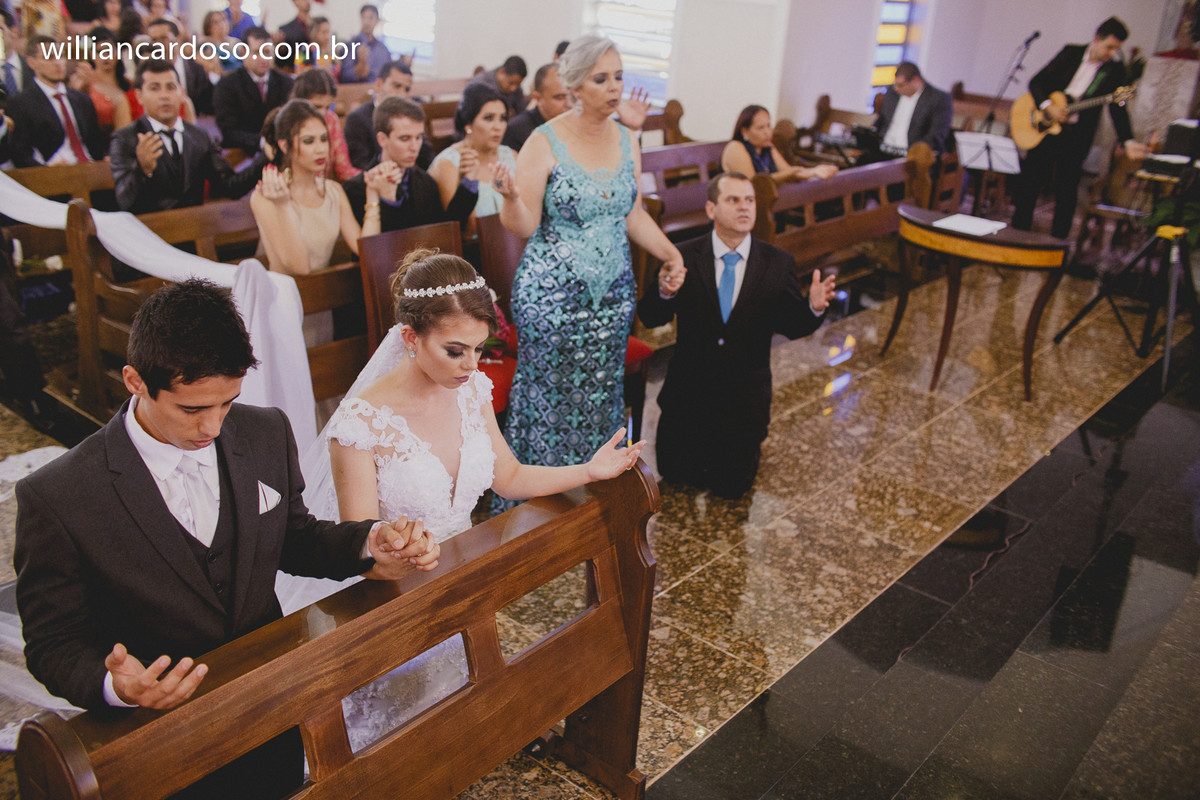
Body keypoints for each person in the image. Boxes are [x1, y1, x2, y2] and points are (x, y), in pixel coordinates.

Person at [13, 278, 437, 799]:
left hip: (268, 709)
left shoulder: (264, 433)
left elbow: (293, 537)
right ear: (135, 381)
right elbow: (53, 644)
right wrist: (116, 686)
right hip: (156, 742)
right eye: (192, 409)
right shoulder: (58, 497)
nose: (212, 427)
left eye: (227, 403)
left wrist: (369, 542)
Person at [276, 250, 643, 747]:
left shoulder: (471, 391)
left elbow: (508, 477)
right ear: (410, 338)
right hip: (394, 599)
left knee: (459, 715)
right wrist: (400, 547)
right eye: (455, 351)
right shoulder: (360, 424)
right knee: (401, 734)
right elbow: (362, 546)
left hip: (464, 577)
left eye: (480, 347)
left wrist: (588, 471)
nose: (473, 365)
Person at [492, 35, 683, 480]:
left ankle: (596, 499)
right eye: (601, 78)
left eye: (618, 76)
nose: (614, 87)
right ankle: (537, 498)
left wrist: (670, 254)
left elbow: (632, 213)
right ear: (575, 85)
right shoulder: (544, 140)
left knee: (600, 396)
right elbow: (523, 224)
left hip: (611, 300)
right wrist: (509, 197)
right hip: (552, 302)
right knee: (550, 400)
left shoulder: (625, 138)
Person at [638, 172, 835, 498]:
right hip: (688, 400)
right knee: (676, 481)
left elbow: (793, 325)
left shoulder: (777, 263)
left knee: (732, 489)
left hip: (742, 406)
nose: (744, 207)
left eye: (750, 200)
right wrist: (665, 291)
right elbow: (650, 315)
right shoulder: (683, 255)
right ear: (711, 209)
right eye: (733, 200)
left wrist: (812, 308)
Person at [1012, 17, 1148, 239]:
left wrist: (1129, 141)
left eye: (1117, 49)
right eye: (1109, 47)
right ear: (1096, 39)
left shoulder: (1115, 71)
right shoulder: (1070, 53)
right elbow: (1037, 82)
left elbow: (1118, 108)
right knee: (1030, 181)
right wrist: (1048, 106)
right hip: (1044, 127)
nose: (1112, 53)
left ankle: (1057, 245)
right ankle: (1016, 236)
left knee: (1067, 189)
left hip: (1077, 136)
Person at [110, 58, 265, 214]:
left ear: (182, 93)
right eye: (154, 88)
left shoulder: (199, 136)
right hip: (147, 233)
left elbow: (230, 186)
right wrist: (142, 170)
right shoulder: (125, 139)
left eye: (171, 87)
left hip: (196, 229)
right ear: (139, 96)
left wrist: (266, 157)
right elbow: (125, 203)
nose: (164, 96)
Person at [252, 99, 380, 284]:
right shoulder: (266, 196)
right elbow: (300, 268)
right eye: (308, 141)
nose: (321, 149)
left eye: (324, 139)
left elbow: (366, 251)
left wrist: (373, 192)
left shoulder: (333, 191)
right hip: (283, 300)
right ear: (284, 145)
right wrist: (283, 205)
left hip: (323, 298)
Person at [343, 95, 474, 229]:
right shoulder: (356, 189)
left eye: (419, 137)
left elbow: (445, 231)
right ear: (382, 139)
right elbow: (376, 245)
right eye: (405, 138)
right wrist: (389, 199)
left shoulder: (426, 183)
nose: (414, 147)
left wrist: (468, 182)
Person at [8, 35, 107, 166]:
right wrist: (47, 170)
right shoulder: (21, 104)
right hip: (53, 175)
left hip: (91, 168)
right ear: (32, 63)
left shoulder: (82, 100)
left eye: (60, 56)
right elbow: (21, 155)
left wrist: (107, 157)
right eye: (49, 57)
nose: (58, 62)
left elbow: (97, 143)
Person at [429, 82, 516, 218]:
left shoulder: (511, 156)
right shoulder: (447, 164)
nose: (498, 127)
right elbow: (461, 231)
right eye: (489, 118)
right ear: (468, 124)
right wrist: (467, 184)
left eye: (503, 118)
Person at [213, 26, 293, 154]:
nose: (263, 59)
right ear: (243, 53)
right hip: (242, 156)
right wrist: (261, 142)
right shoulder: (227, 85)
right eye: (256, 53)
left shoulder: (286, 83)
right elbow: (228, 131)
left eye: (267, 52)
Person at [343, 59, 434, 170]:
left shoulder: (412, 118)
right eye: (396, 86)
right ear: (379, 84)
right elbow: (361, 165)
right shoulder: (358, 119)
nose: (402, 93)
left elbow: (428, 161)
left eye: (406, 89)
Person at [722, 104, 837, 182]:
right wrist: (792, 172)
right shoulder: (736, 148)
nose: (768, 132)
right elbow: (754, 183)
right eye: (761, 128)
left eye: (768, 125)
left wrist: (815, 171)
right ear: (745, 131)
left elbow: (787, 170)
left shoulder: (767, 147)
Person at [290, 67, 359, 181]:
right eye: (317, 106)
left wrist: (371, 178)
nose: (323, 113)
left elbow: (344, 169)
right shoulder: (287, 122)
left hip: (324, 190)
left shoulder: (331, 120)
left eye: (328, 107)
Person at [871, 61, 953, 157]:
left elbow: (936, 135)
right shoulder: (892, 93)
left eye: (901, 85)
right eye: (895, 84)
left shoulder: (938, 99)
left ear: (915, 80)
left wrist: (914, 153)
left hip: (914, 155)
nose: (896, 88)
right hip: (884, 150)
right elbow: (882, 121)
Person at [69, 25, 132, 137]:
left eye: (109, 51)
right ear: (91, 55)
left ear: (117, 52)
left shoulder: (130, 84)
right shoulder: (81, 81)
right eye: (99, 51)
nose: (105, 56)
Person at [502, 62, 571, 151]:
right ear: (538, 98)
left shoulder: (577, 124)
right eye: (560, 98)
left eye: (572, 97)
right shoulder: (516, 131)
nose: (569, 104)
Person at [339, 4, 391, 84]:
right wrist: (361, 64)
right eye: (364, 17)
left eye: (371, 18)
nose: (367, 22)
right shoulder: (351, 45)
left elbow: (388, 72)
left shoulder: (383, 49)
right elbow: (345, 77)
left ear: (377, 21)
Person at [200, 10, 242, 74]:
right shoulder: (205, 45)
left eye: (223, 20)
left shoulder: (236, 42)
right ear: (208, 27)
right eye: (216, 22)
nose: (221, 24)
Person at [274, 0, 311, 71]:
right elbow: (280, 64)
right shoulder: (285, 30)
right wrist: (280, 49)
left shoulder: (319, 27)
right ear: (295, 1)